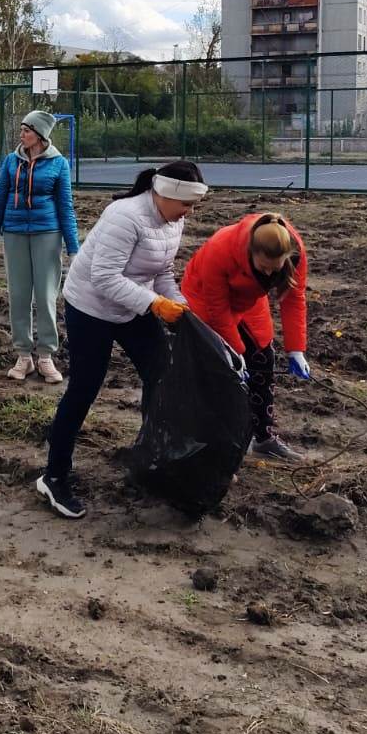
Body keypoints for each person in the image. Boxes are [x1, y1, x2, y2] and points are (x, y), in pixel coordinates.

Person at [35, 161, 207, 519]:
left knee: (161, 376)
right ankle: (54, 476)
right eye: (186, 204)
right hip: (91, 308)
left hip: (131, 307)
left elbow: (162, 273)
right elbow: (103, 277)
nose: (189, 213)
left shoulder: (172, 221)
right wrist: (155, 304)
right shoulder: (124, 216)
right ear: (165, 194)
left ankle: (151, 458)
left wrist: (178, 304)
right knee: (84, 388)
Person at [181, 211, 311, 462]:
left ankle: (263, 438)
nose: (270, 274)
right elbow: (217, 310)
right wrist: (237, 355)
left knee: (263, 357)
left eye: (277, 268)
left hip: (249, 300)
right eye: (263, 267)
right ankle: (216, 443)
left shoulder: (294, 251)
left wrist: (296, 349)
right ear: (250, 252)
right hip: (205, 299)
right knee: (221, 369)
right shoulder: (221, 248)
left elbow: (294, 299)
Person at [0, 110, 80, 384]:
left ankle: (46, 356)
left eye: (26, 130)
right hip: (14, 233)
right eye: (21, 129)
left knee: (46, 297)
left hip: (48, 233)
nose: (21, 134)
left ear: (40, 134)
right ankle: (24, 356)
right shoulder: (11, 161)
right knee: (19, 296)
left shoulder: (58, 164)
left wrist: (73, 250)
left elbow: (66, 208)